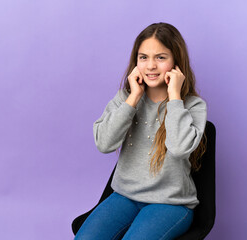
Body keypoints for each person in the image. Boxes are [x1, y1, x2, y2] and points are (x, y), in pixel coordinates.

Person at [74, 22, 207, 240]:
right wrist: (133, 99)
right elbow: (104, 144)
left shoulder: (193, 106)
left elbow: (179, 148)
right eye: (143, 57)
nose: (151, 66)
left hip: (170, 204)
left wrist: (174, 96)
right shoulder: (124, 99)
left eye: (161, 57)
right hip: (124, 197)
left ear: (176, 62)